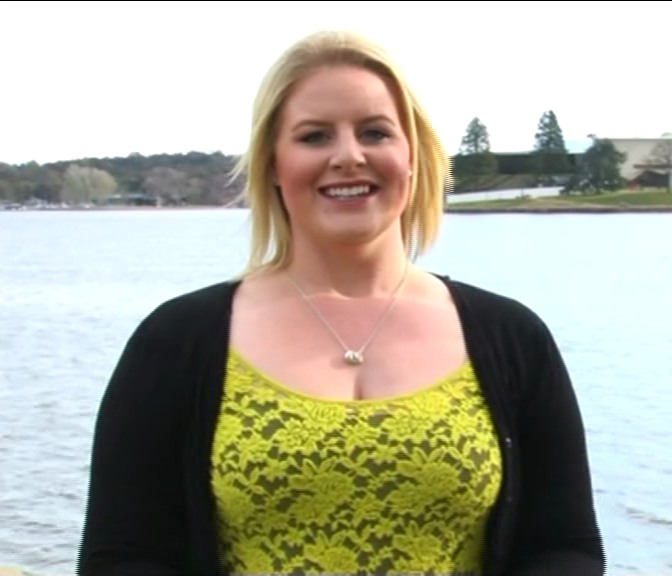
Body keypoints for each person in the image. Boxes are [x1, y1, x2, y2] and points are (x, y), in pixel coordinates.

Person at [76, 29, 605, 576]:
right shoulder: (177, 341)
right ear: (273, 163)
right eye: (314, 137)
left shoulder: (511, 338)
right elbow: (123, 557)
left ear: (412, 155)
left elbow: (564, 547)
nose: (349, 156)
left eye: (375, 132)